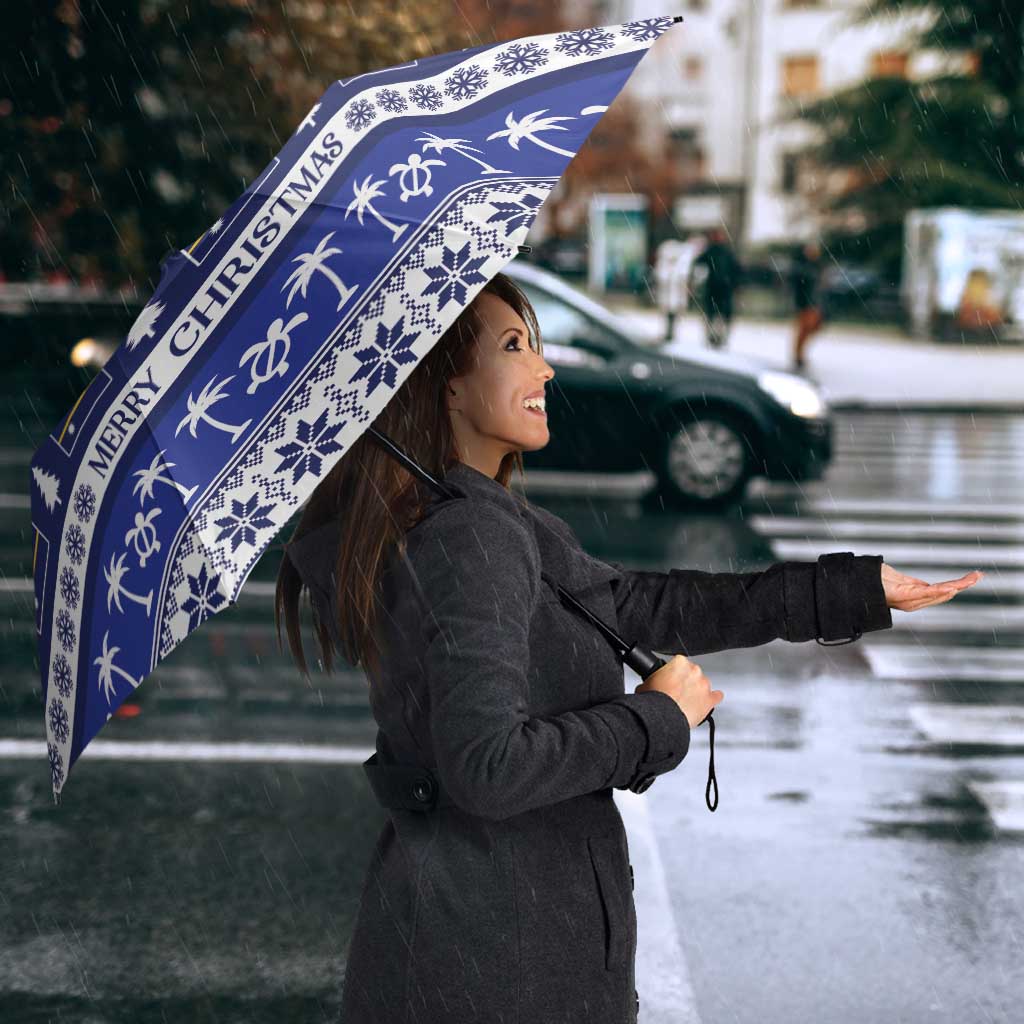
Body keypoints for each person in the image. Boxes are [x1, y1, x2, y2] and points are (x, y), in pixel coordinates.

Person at [276, 272, 981, 1024]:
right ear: (445, 387)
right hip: (496, 962)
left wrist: (849, 590)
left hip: (481, 943)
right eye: (514, 346)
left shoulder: (480, 519)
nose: (544, 368)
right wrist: (655, 719)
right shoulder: (469, 537)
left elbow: (643, 606)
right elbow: (487, 767)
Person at [692, 226, 742, 349]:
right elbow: (698, 264)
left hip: (723, 288)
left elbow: (736, 270)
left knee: (720, 315)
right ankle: (713, 337)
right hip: (715, 288)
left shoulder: (725, 252)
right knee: (713, 314)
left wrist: (735, 284)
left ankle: (719, 337)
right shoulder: (712, 251)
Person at [790, 239, 826, 370]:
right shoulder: (802, 267)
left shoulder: (817, 266)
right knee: (804, 329)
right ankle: (798, 355)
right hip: (805, 303)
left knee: (812, 328)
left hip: (814, 303)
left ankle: (799, 354)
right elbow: (799, 286)